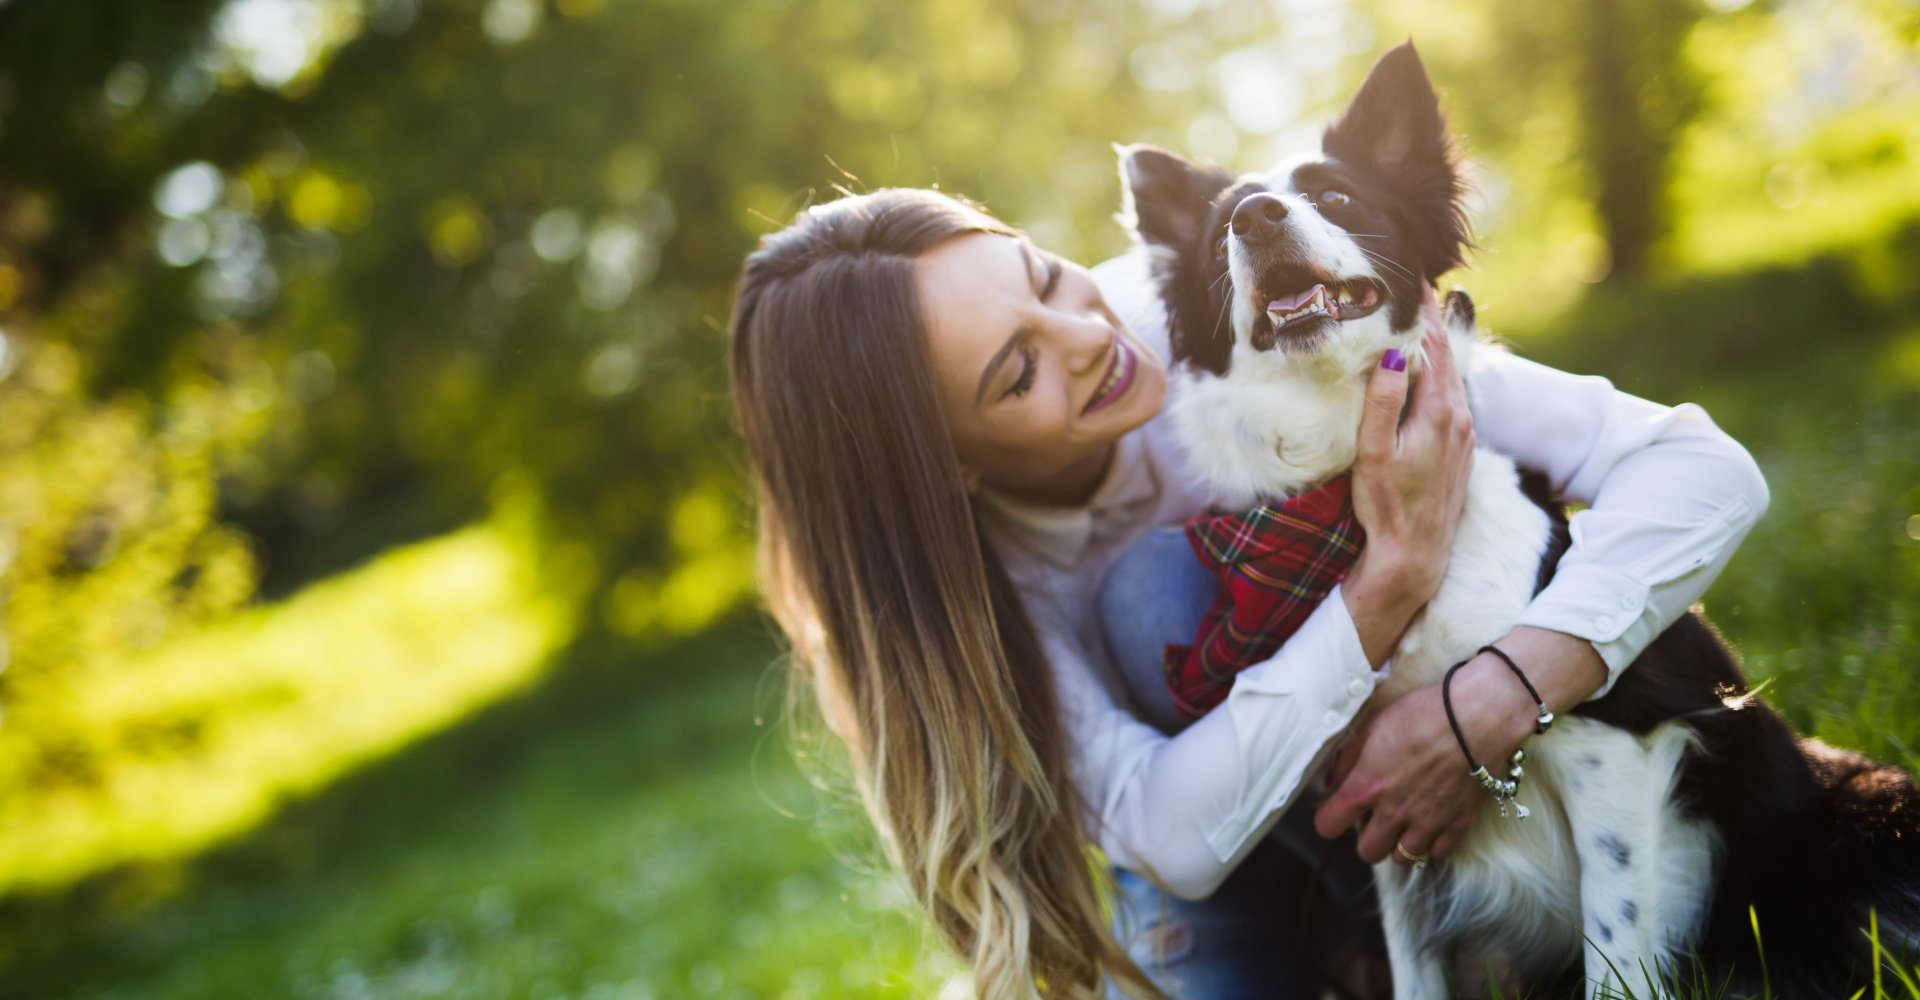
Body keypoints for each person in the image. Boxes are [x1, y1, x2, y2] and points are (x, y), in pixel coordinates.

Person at [726, 188, 1768, 1000]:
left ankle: (1444, 926)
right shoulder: (967, 587)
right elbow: (1167, 833)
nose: (1089, 336)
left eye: (1045, 276)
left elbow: (1705, 472)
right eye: (1016, 373)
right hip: (1217, 866)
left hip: (1444, 770)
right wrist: (1383, 583)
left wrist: (1497, 696)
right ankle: (1361, 943)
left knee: (1153, 593)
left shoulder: (1225, 303)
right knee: (1147, 605)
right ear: (946, 469)